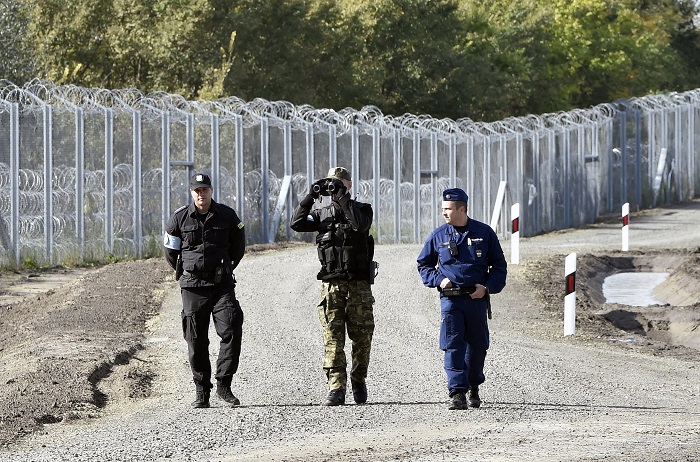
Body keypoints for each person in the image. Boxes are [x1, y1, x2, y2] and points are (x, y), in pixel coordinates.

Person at [290, 167, 376, 406]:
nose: (333, 189)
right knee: (333, 337)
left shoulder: (362, 209)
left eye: (339, 184)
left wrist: (342, 198)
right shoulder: (321, 215)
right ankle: (336, 387)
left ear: (349, 185)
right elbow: (296, 223)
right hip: (332, 286)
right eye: (331, 185)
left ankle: (359, 379)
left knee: (362, 338)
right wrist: (311, 195)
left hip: (358, 286)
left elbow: (359, 226)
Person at [416, 187, 507, 410]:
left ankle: (473, 386)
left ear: (462, 209)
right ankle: (457, 393)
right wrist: (439, 280)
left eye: (448, 209)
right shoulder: (438, 236)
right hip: (451, 300)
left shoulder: (484, 233)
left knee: (477, 347)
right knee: (453, 345)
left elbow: (499, 267)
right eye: (443, 209)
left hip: (475, 299)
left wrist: (486, 288)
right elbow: (424, 264)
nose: (444, 213)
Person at [163, 173, 246, 409]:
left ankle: (224, 384)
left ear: (211, 191)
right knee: (196, 340)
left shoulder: (227, 216)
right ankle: (202, 391)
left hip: (221, 286)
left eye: (205, 190)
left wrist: (225, 269)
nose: (201, 194)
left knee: (231, 327)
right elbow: (170, 253)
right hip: (193, 287)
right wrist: (189, 271)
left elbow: (238, 247)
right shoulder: (178, 219)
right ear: (191, 193)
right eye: (197, 190)